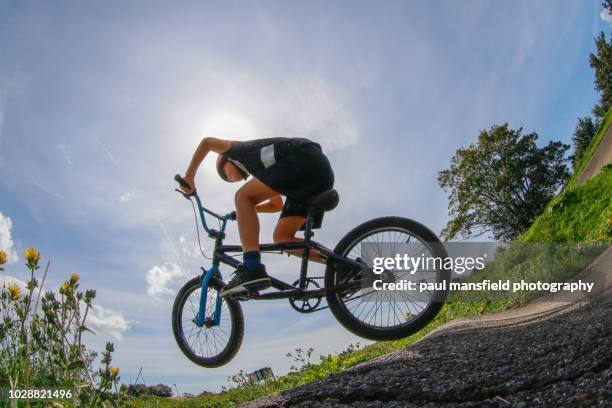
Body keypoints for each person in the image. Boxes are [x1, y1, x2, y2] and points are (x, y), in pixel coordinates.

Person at [180, 137, 335, 297]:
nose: (229, 179)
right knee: (282, 237)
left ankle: (252, 267)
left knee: (241, 196)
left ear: (228, 160)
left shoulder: (239, 150)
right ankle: (343, 266)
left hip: (303, 157)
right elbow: (276, 205)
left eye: (225, 174)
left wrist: (189, 176)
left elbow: (208, 142)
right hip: (316, 175)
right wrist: (244, 212)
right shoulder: (264, 173)